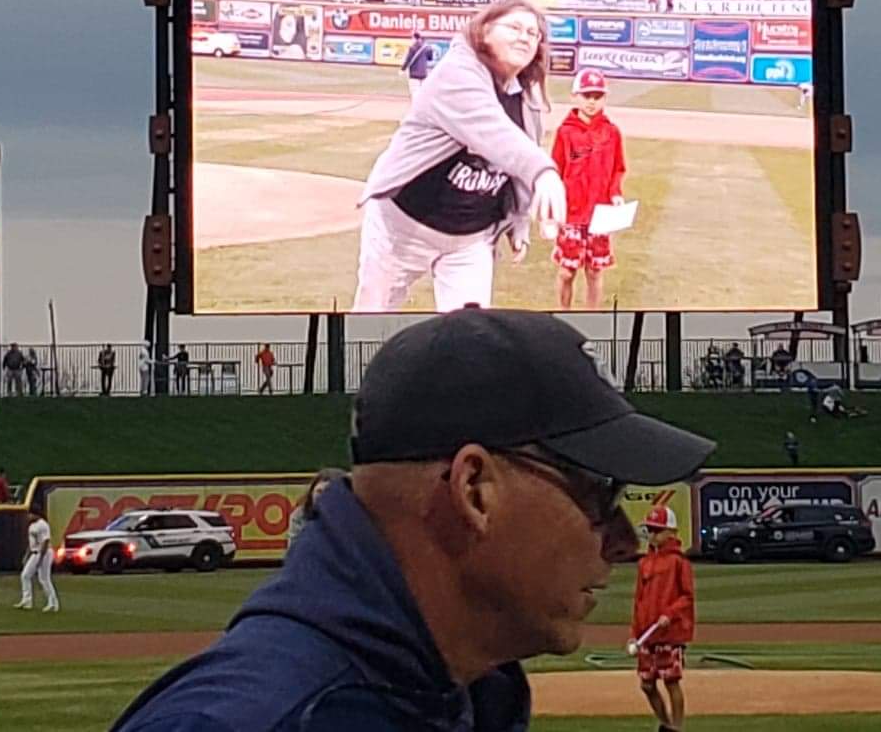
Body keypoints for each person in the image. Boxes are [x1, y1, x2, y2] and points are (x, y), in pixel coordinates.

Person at [111, 308, 715, 731]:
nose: (622, 539)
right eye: (597, 492)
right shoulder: (260, 718)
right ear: (474, 488)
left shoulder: (459, 691)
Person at [353, 0, 568, 312]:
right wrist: (544, 172)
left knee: (471, 335)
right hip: (403, 227)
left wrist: (518, 220)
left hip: (469, 239)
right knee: (370, 323)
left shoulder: (527, 93)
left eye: (533, 33)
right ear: (485, 30)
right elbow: (494, 131)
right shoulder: (456, 73)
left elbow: (525, 146)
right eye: (514, 27)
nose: (525, 36)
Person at [550, 67, 627, 311]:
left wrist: (615, 193)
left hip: (600, 213)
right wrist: (555, 210)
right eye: (587, 96)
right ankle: (564, 314)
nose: (592, 102)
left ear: (604, 98)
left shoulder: (611, 132)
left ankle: (591, 319)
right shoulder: (566, 132)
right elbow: (555, 170)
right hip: (572, 213)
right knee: (566, 272)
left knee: (594, 272)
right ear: (576, 97)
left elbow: (618, 167)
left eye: (597, 96)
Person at [632, 504, 695, 732]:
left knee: (671, 680)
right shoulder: (644, 563)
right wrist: (635, 634)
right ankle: (665, 723)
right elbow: (638, 601)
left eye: (658, 530)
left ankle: (677, 728)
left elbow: (687, 596)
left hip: (670, 632)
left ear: (672, 532)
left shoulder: (679, 562)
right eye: (650, 529)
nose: (654, 535)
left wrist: (670, 614)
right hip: (647, 634)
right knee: (647, 684)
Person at [285, 467, 348, 551]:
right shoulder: (300, 515)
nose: (323, 497)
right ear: (311, 492)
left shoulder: (355, 516)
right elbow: (295, 551)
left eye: (329, 492)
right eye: (319, 491)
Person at [16, 508, 60, 613]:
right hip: (35, 552)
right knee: (25, 575)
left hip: (44, 552)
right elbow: (31, 544)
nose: (28, 516)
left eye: (30, 514)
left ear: (36, 514)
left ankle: (53, 603)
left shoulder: (43, 524)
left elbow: (45, 542)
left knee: (44, 579)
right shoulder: (31, 526)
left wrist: (41, 558)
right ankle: (27, 601)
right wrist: (27, 555)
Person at [402, 29, 436, 98]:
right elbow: (430, 59)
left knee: (414, 93)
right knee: (423, 93)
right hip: (423, 73)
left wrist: (403, 69)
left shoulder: (412, 47)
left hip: (414, 74)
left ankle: (416, 107)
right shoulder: (427, 48)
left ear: (415, 38)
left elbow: (408, 60)